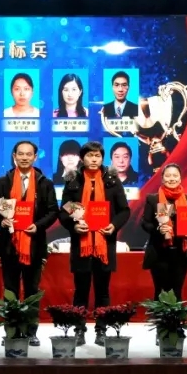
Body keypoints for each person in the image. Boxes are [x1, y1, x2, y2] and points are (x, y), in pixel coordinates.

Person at [58, 140, 130, 346]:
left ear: (102, 158)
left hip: (104, 243)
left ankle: (101, 330)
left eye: (97, 156)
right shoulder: (73, 181)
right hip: (81, 243)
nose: (94, 159)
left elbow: (124, 210)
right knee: (80, 291)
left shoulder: (112, 181)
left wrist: (113, 226)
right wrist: (74, 226)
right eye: (90, 155)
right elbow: (64, 211)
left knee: (103, 291)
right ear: (83, 158)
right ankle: (79, 330)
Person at [0, 140, 58, 347]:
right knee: (10, 290)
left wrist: (38, 225)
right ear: (14, 156)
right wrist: (2, 221)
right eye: (20, 154)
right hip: (9, 243)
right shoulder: (3, 182)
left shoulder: (45, 183)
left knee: (32, 290)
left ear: (35, 157)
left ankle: (31, 331)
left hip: (34, 244)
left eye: (29, 154)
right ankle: (11, 331)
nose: (24, 157)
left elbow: (52, 211)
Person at [141, 164, 187, 301]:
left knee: (177, 291)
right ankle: (160, 316)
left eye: (175, 175)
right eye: (168, 175)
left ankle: (176, 315)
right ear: (162, 178)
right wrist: (158, 229)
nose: (172, 178)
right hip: (159, 251)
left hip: (181, 252)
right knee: (160, 291)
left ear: (180, 179)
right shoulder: (153, 199)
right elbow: (145, 223)